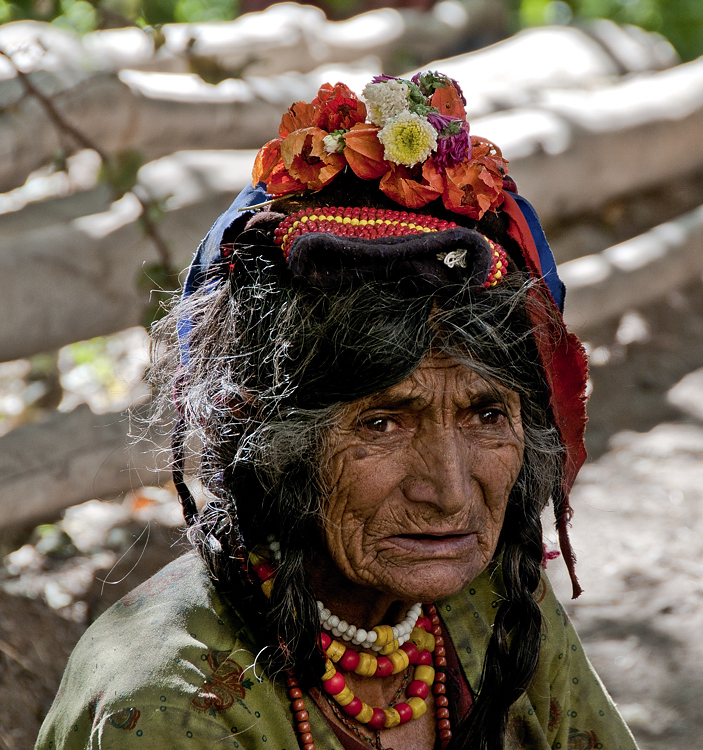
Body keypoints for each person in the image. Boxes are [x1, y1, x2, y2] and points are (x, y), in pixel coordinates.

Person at [36, 73, 638, 750]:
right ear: (268, 440)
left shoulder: (493, 608)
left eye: (486, 416)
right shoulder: (172, 704)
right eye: (382, 423)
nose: (447, 491)